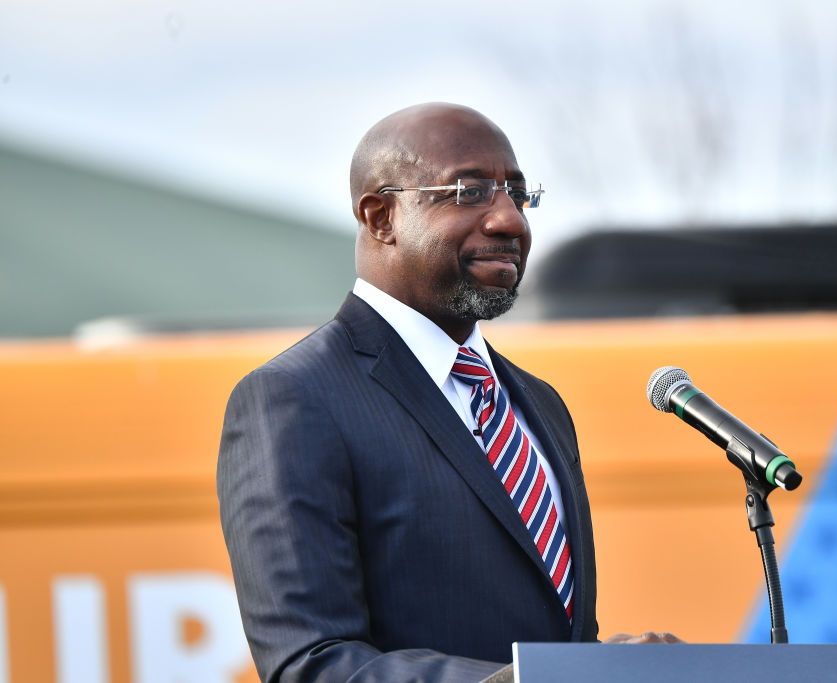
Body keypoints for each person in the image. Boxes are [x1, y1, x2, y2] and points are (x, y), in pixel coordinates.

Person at [217, 103, 674, 683]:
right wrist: (531, 679)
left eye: (517, 192)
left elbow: (557, 641)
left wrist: (621, 665)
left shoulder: (540, 405)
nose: (510, 220)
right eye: (469, 191)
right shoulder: (293, 399)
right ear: (381, 216)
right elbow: (312, 663)